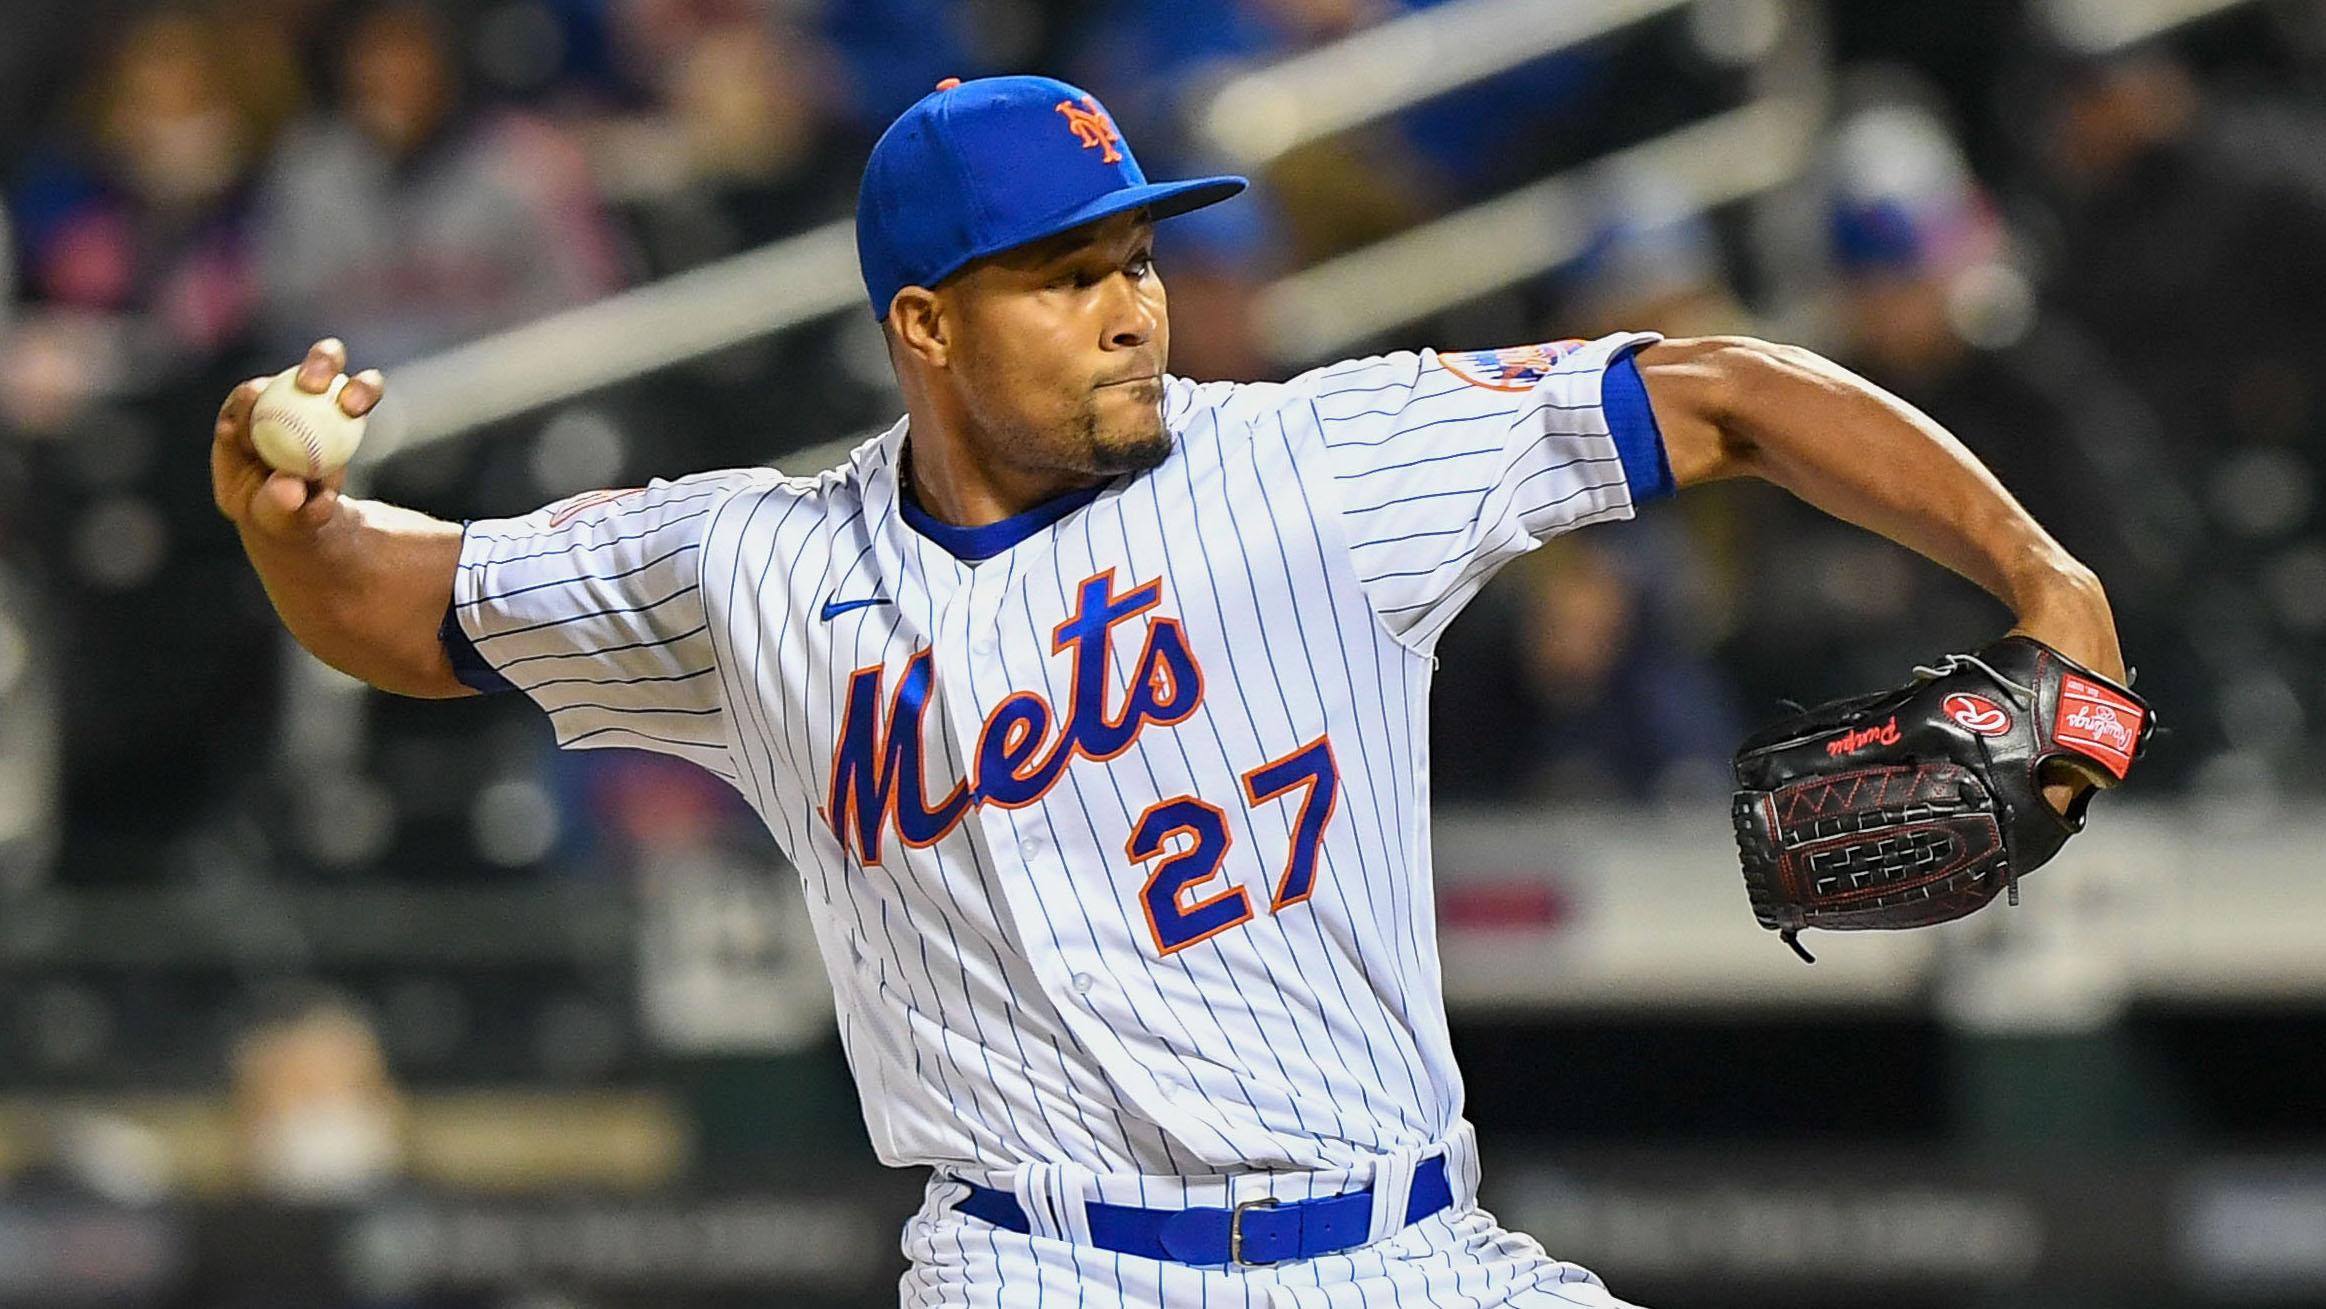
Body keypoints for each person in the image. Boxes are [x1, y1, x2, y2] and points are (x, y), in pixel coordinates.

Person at [212, 75, 2126, 1306]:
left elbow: (1722, 394)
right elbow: (409, 605)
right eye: (1066, 274)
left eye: (1137, 253)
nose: (1135, 302)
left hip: (1405, 1249)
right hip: (1037, 1269)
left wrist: (2050, 585)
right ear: (927, 326)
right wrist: (282, 509)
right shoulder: (754, 567)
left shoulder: (1320, 459)